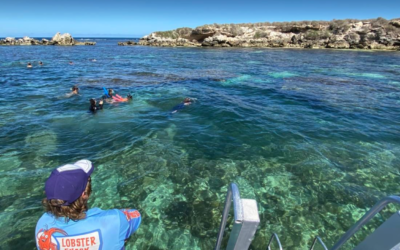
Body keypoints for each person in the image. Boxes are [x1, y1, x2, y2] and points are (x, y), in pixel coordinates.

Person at [35, 160, 141, 250]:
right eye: (88, 181)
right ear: (84, 195)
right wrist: (120, 214)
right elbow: (136, 215)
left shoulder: (42, 225)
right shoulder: (114, 220)